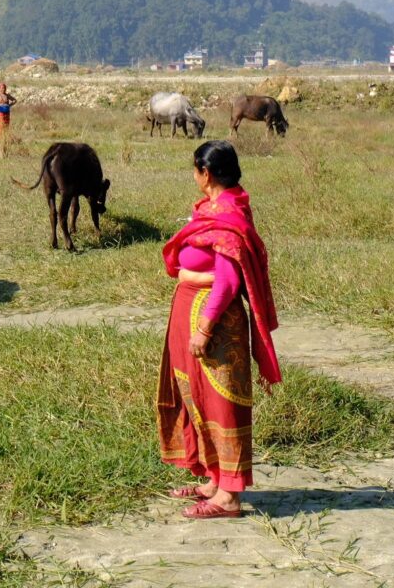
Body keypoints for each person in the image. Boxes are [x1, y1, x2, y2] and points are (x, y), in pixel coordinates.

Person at [157, 141, 281, 520]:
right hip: (189, 310)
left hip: (212, 318)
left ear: (205, 174)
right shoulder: (215, 210)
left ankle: (229, 496)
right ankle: (213, 478)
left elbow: (227, 282)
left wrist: (205, 329)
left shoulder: (229, 215)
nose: (194, 177)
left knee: (222, 402)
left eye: (194, 171)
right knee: (196, 397)